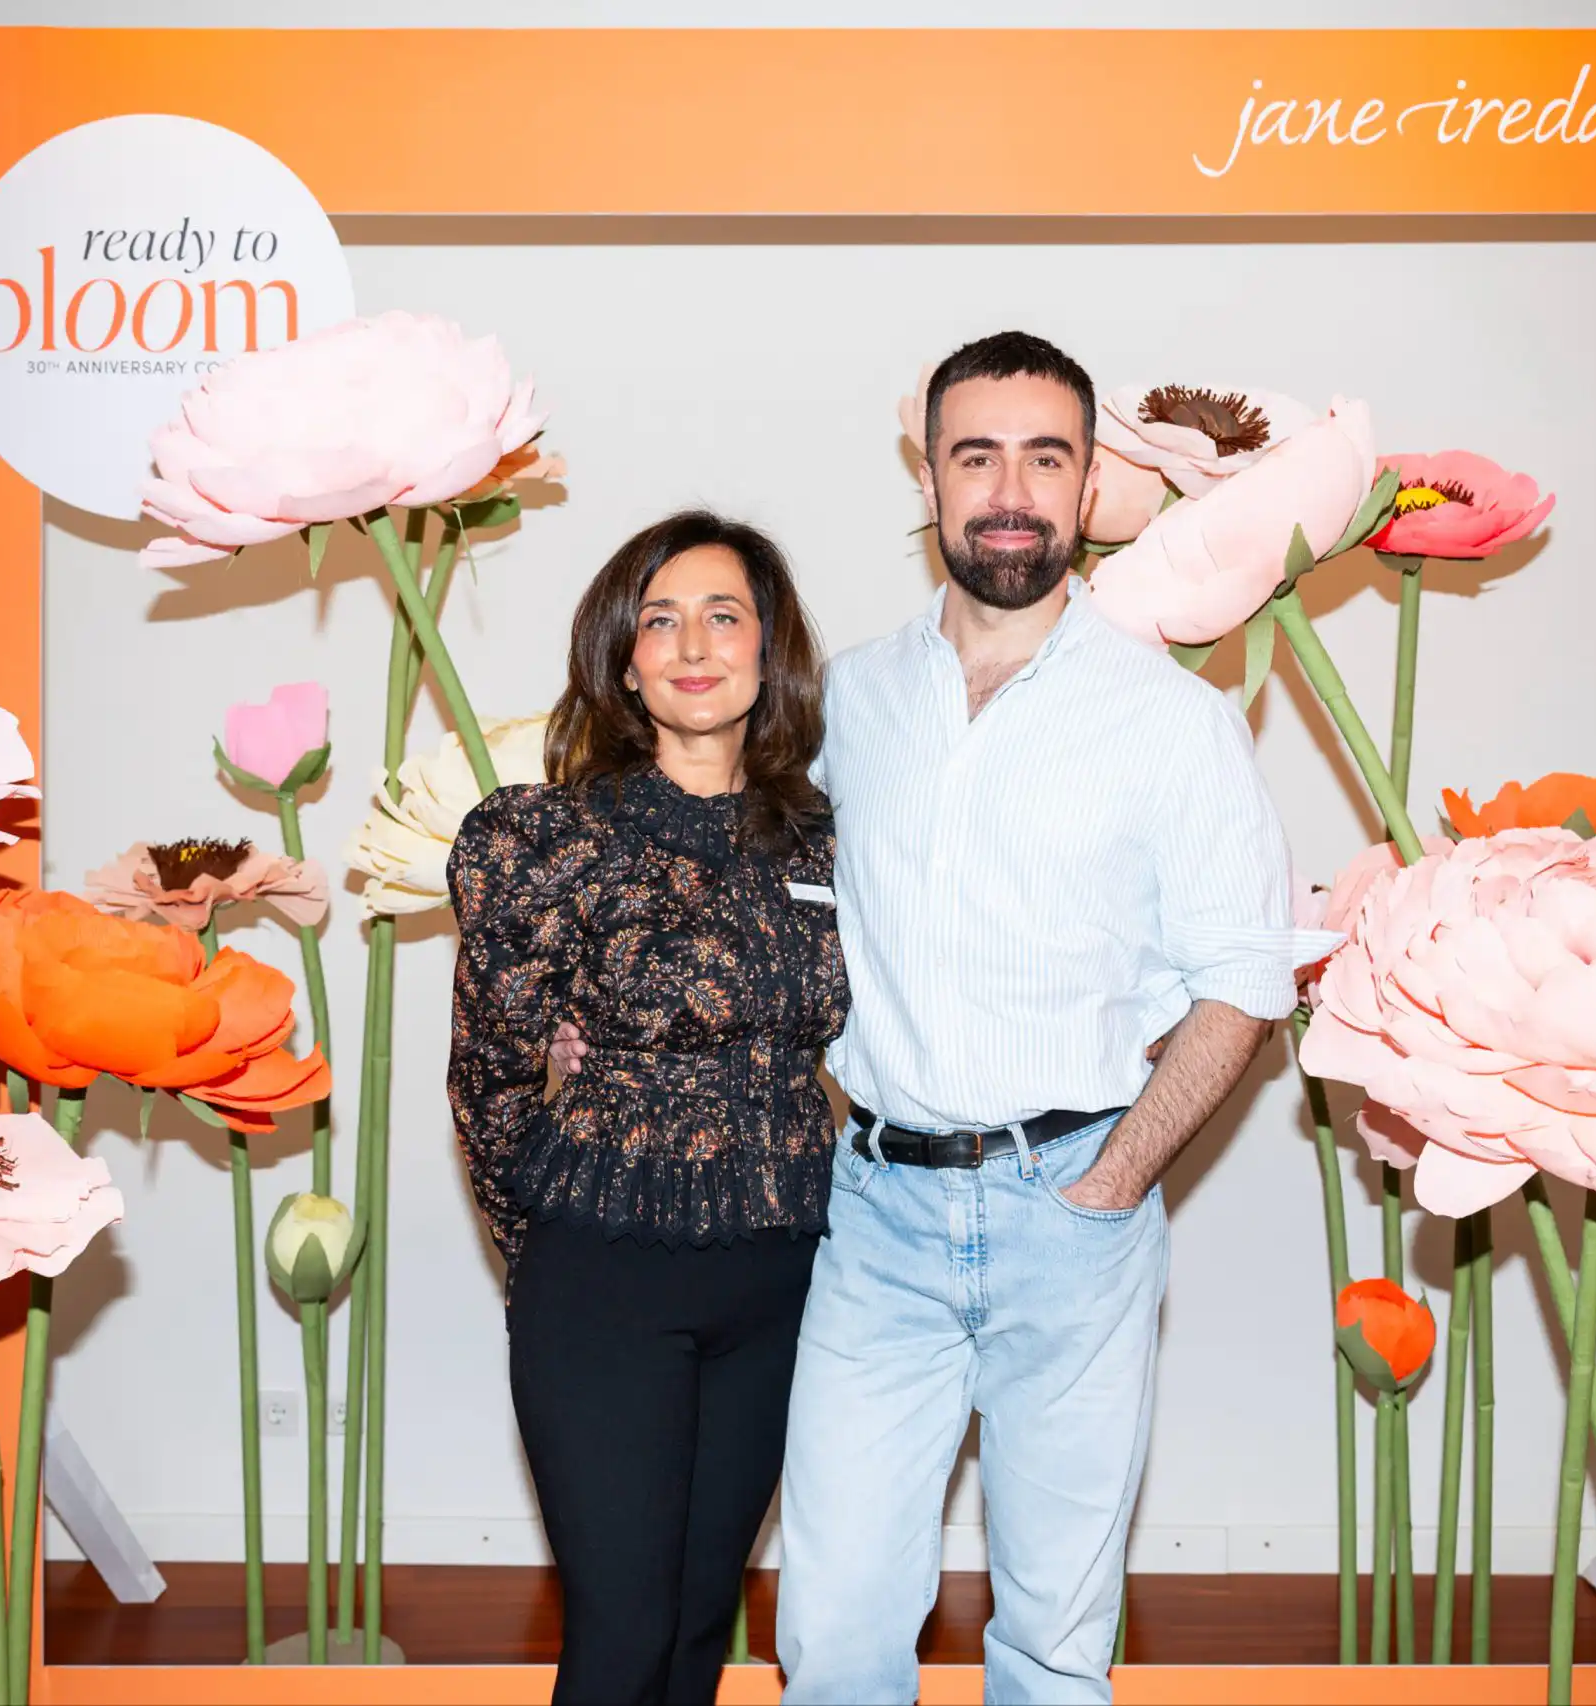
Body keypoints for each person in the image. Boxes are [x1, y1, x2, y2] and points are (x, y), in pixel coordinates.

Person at [556, 332, 1311, 1705]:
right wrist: (590, 1009)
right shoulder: (841, 705)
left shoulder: (1172, 723)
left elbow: (1247, 979)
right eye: (977, 457)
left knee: (1053, 1639)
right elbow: (724, 859)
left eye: (1044, 458)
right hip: (874, 1222)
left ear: (1089, 487)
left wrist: (1113, 1180)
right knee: (833, 1631)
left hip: (1076, 1216)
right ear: (929, 479)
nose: (1009, 491)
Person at [446, 509, 848, 1706]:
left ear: (768, 647)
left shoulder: (829, 838)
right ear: (623, 660)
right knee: (621, 1636)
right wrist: (544, 1248)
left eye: (724, 615)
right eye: (660, 620)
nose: (694, 644)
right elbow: (489, 1078)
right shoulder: (545, 839)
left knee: (695, 1627)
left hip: (783, 1278)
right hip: (603, 1279)